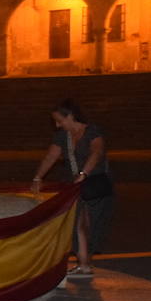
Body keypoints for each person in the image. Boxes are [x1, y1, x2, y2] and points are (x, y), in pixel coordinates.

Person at [30, 98, 113, 278]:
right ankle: (83, 265)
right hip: (73, 185)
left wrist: (83, 174)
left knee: (91, 224)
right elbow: (51, 157)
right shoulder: (62, 136)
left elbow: (96, 153)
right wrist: (38, 177)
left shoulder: (92, 131)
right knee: (77, 223)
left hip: (95, 184)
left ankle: (87, 260)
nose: (57, 125)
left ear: (71, 116)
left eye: (59, 120)